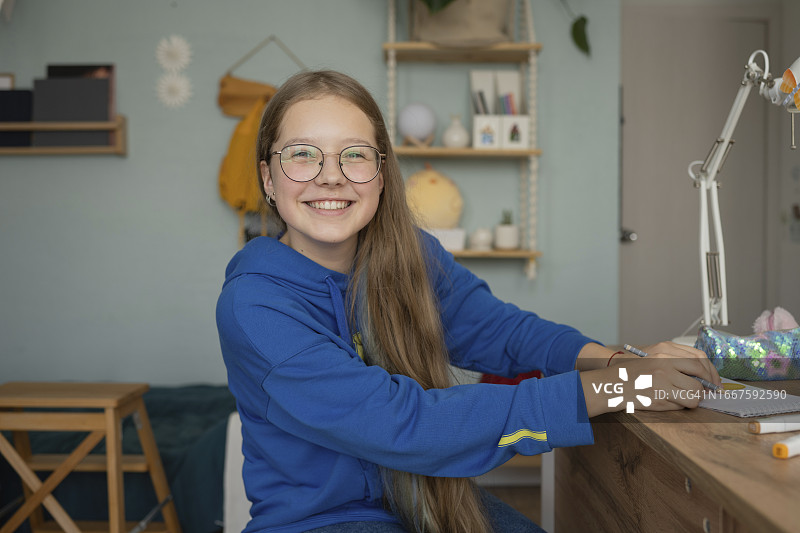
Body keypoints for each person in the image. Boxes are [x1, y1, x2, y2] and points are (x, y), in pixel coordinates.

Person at [216, 70, 721, 533]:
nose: (331, 175)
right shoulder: (254, 306)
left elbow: (502, 331)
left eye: (355, 154)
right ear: (269, 178)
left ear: (382, 174)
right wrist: (616, 387)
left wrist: (618, 364)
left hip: (426, 499)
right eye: (302, 154)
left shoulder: (410, 255)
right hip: (323, 523)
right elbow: (407, 426)